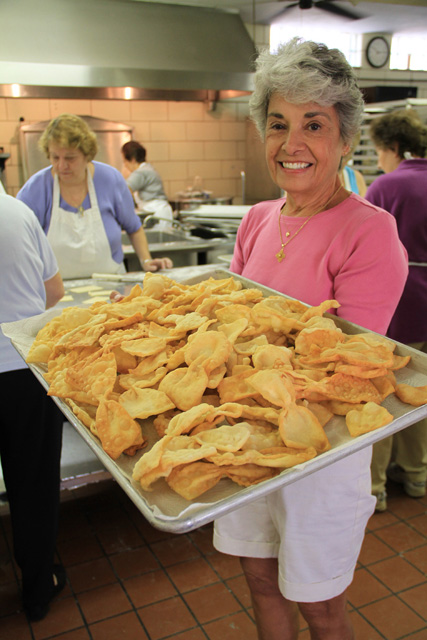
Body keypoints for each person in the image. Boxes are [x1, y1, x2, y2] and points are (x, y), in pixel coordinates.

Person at [213, 38, 408, 640]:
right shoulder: (256, 219)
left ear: (346, 140)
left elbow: (341, 376)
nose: (291, 144)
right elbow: (225, 326)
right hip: (246, 438)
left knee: (321, 607)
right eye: (278, 124)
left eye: (313, 125)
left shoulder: (370, 234)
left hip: (319, 454)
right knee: (260, 579)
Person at [0, 194, 66, 621]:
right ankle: (38, 590)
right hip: (21, 371)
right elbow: (54, 292)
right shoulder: (18, 213)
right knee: (34, 484)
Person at [16, 114, 173, 279]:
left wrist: (146, 260)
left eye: (70, 158)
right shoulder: (36, 189)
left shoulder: (110, 180)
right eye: (55, 157)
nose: (62, 165)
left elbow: (134, 228)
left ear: (87, 154)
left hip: (112, 286)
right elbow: (18, 239)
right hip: (57, 293)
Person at [365, 108, 427, 512]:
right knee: (421, 391)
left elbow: (365, 247)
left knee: (385, 392)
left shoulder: (387, 187)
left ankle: (375, 488)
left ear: (392, 147)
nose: (379, 161)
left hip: (399, 303)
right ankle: (418, 474)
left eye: (379, 152)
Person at [121, 140, 174, 227]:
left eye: (125, 161)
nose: (125, 165)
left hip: (156, 214)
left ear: (133, 160)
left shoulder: (141, 173)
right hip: (160, 212)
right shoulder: (147, 169)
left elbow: (124, 191)